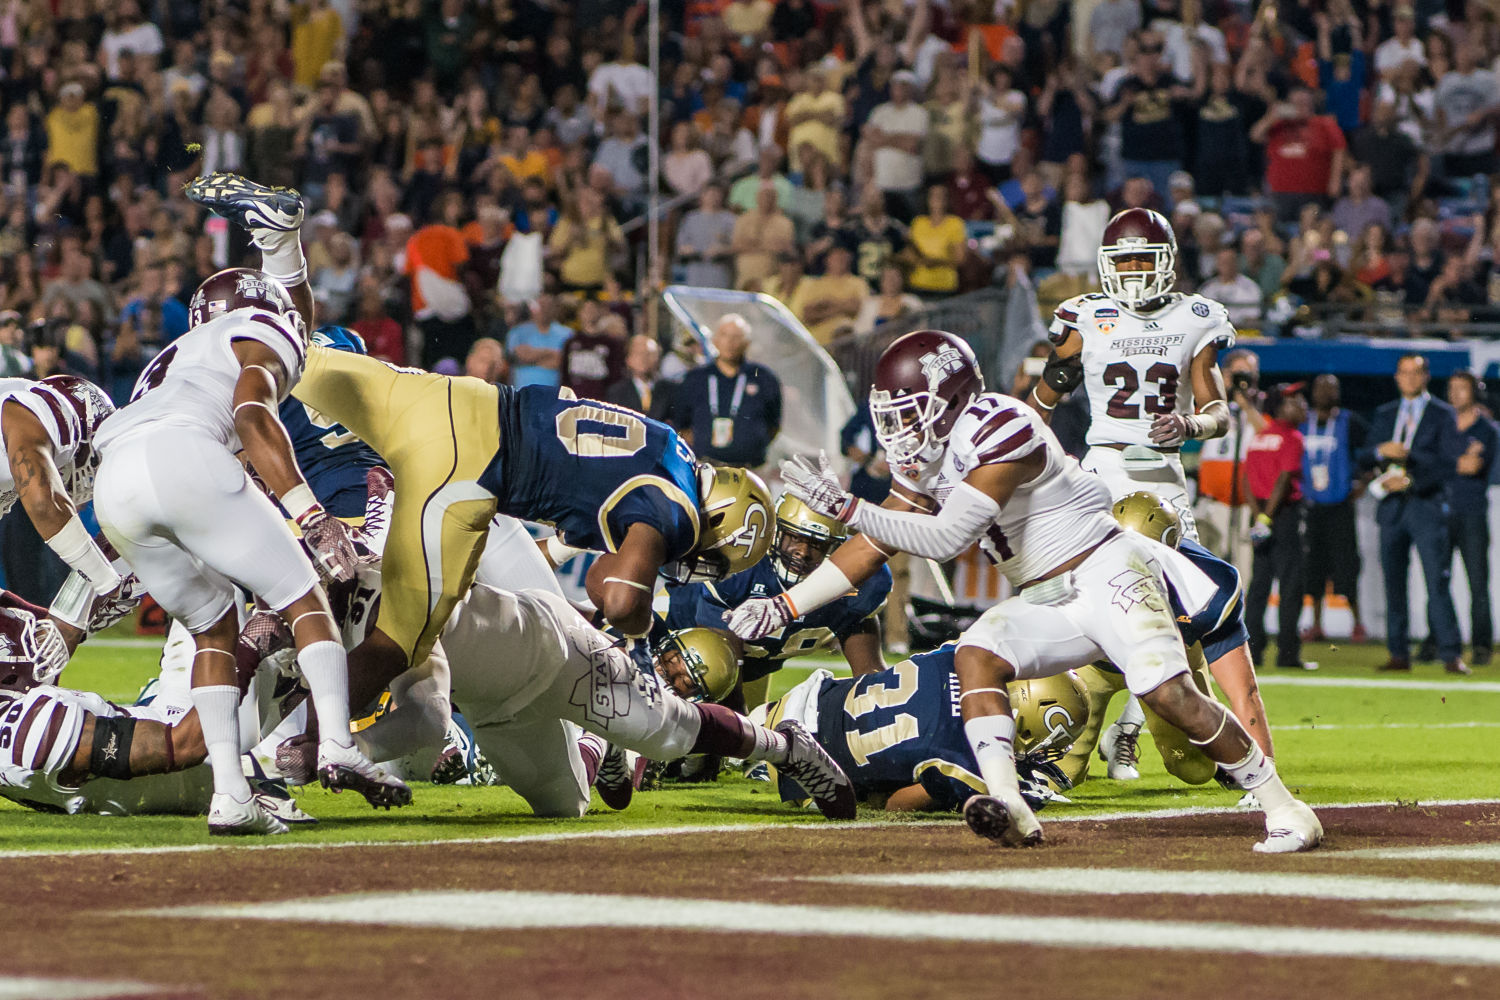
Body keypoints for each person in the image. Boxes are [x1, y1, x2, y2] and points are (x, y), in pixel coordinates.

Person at [189, 173, 776, 782]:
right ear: (725, 521)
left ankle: (281, 241)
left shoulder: (670, 447)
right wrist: (643, 626)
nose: (701, 563)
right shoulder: (675, 505)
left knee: (295, 349)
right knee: (400, 642)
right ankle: (295, 754)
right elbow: (618, 594)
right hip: (465, 476)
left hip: (462, 403)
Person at [730, 330, 1322, 853]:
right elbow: (874, 545)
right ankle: (1010, 804)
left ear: (949, 398)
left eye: (908, 410)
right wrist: (786, 604)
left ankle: (1283, 806)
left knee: (1170, 696)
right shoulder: (931, 453)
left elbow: (944, 537)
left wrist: (848, 507)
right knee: (977, 655)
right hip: (1046, 595)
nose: (898, 428)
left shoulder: (1000, 425)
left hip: (1105, 572)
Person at [92, 229, 405, 835]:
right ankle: (339, 746)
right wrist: (311, 516)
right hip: (186, 457)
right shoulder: (263, 330)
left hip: (117, 483)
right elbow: (253, 414)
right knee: (305, 596)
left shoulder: (169, 359)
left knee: (214, 628)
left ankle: (232, 796)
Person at [354, 584, 856, 821]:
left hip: (556, 653)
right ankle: (606, 743)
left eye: (686, 679)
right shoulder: (337, 620)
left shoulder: (399, 580)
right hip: (496, 706)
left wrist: (342, 748)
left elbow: (429, 718)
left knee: (664, 732)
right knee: (565, 807)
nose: (671, 674)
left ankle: (787, 748)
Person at [1034, 209, 1233, 541]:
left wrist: (1189, 424)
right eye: (1124, 259)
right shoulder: (1086, 317)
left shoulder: (1194, 317)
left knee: (1192, 583)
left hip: (1164, 471)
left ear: (1167, 260)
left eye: (1143, 258)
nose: (1134, 268)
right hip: (1102, 469)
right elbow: (1042, 402)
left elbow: (1220, 414)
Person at [1063, 492, 1276, 793]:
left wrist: (1264, 776)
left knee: (1195, 767)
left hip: (1166, 664)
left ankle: (1123, 731)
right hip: (1095, 664)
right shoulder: (1073, 564)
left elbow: (1245, 690)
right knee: (1061, 771)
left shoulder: (1209, 587)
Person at [761, 649, 1086, 812]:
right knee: (896, 785)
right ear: (1024, 722)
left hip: (807, 698)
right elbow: (895, 805)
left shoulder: (963, 655)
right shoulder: (966, 759)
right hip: (806, 769)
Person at [663, 494, 891, 696]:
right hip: (683, 643)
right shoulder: (742, 566)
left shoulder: (857, 584)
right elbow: (726, 676)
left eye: (816, 544)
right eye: (795, 538)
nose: (802, 552)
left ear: (833, 549)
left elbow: (870, 678)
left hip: (758, 664)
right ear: (775, 533)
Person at [1358, 353, 1467, 675]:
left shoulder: (1443, 414)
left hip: (1426, 506)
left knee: (1437, 581)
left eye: (1414, 373)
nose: (1408, 378)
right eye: (1403, 373)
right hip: (1392, 508)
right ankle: (1398, 653)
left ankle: (1450, 653)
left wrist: (1411, 476)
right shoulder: (1385, 413)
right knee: (1394, 584)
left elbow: (1449, 461)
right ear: (1396, 377)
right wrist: (1381, 451)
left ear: (1425, 377)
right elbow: (1364, 455)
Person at [1243, 385, 1314, 671]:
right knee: (1290, 586)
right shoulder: (1292, 437)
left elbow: (1246, 479)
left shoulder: (1260, 436)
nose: (1302, 404)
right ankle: (1287, 654)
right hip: (1281, 515)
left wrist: (1257, 516)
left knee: (1258, 586)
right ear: (1280, 408)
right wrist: (1269, 517)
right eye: (1294, 401)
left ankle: (1253, 652)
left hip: (1260, 512)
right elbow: (1284, 480)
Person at [1301, 374, 1369, 644]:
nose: (1326, 393)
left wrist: (1363, 481)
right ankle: (1316, 624)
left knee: (1346, 565)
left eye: (1332, 388)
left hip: (1340, 505)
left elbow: (1370, 450)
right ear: (1312, 392)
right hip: (1311, 505)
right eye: (1321, 388)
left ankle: (1357, 624)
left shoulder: (1348, 422)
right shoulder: (1303, 422)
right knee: (1313, 567)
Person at [670, 314, 782, 469]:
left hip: (752, 470)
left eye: (737, 337)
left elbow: (773, 425)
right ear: (715, 340)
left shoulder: (762, 377)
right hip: (706, 469)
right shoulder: (695, 378)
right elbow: (682, 423)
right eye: (724, 335)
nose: (730, 342)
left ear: (747, 342)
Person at [1445, 372, 1495, 666]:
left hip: (1472, 512)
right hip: (1441, 510)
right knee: (1438, 581)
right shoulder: (1442, 425)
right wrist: (1457, 463)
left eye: (1462, 389)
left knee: (1478, 582)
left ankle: (1481, 645)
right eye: (1451, 389)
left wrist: (1458, 464)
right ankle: (1438, 640)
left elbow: (1477, 467)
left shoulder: (1486, 429)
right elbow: (1438, 463)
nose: (1455, 394)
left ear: (1475, 392)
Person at [507, 294, 571, 389]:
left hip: (555, 394)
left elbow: (563, 362)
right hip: (521, 393)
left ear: (555, 309)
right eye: (540, 306)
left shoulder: (567, 334)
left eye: (548, 306)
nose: (544, 310)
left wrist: (532, 355)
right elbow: (517, 358)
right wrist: (550, 354)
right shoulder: (518, 332)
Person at [560, 312, 627, 401]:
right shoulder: (572, 342)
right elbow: (564, 375)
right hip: (575, 400)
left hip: (603, 400)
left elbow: (616, 377)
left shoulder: (612, 346)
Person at [605, 334, 670, 422]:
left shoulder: (671, 391)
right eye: (638, 353)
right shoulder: (616, 392)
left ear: (658, 358)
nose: (643, 358)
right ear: (628, 359)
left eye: (649, 354)